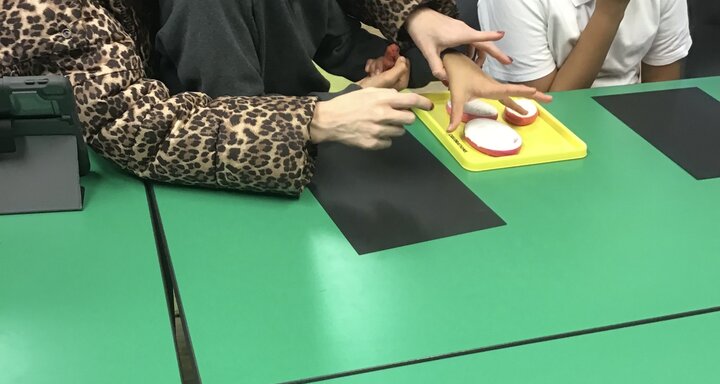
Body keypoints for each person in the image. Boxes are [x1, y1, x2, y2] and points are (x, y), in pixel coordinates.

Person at [0, 0, 548, 196]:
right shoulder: (45, 11)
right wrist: (317, 118)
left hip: (275, 156)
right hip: (176, 169)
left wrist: (418, 23)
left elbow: (327, 28)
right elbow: (140, 125)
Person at [476, 0, 693, 91]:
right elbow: (546, 111)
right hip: (537, 136)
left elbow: (660, 90)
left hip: (628, 122)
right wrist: (609, 13)